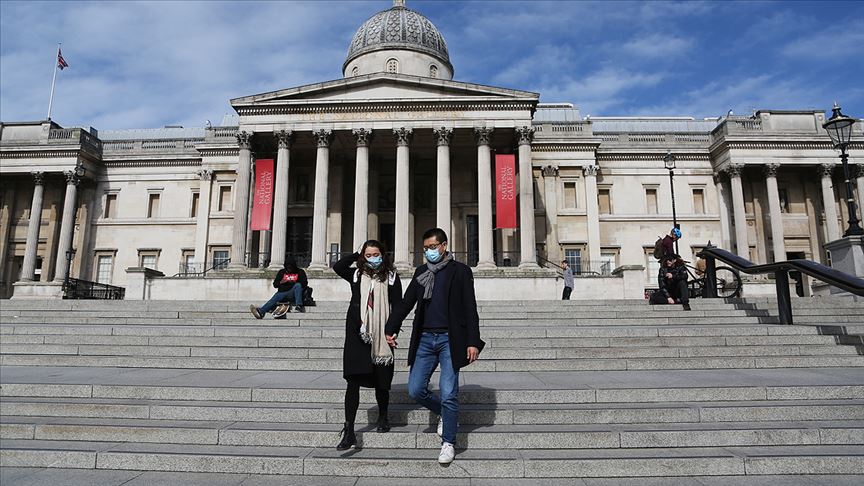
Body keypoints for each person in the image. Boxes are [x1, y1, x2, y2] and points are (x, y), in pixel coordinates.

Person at [385, 228, 485, 465]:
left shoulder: (460, 271)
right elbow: (406, 303)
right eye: (426, 248)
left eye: (433, 247)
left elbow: (470, 308)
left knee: (449, 392)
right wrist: (391, 327)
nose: (429, 252)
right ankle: (445, 414)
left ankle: (448, 442)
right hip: (425, 339)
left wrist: (473, 341)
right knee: (415, 389)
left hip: (451, 339)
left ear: (444, 245)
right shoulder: (422, 273)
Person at [332, 240, 402, 451]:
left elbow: (398, 305)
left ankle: (383, 416)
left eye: (376, 254)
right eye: (369, 254)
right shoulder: (355, 274)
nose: (373, 258)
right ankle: (349, 430)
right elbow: (338, 266)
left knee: (382, 380)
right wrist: (356, 254)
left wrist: (393, 330)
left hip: (382, 333)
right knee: (352, 380)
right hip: (357, 331)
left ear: (383, 254)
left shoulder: (391, 277)